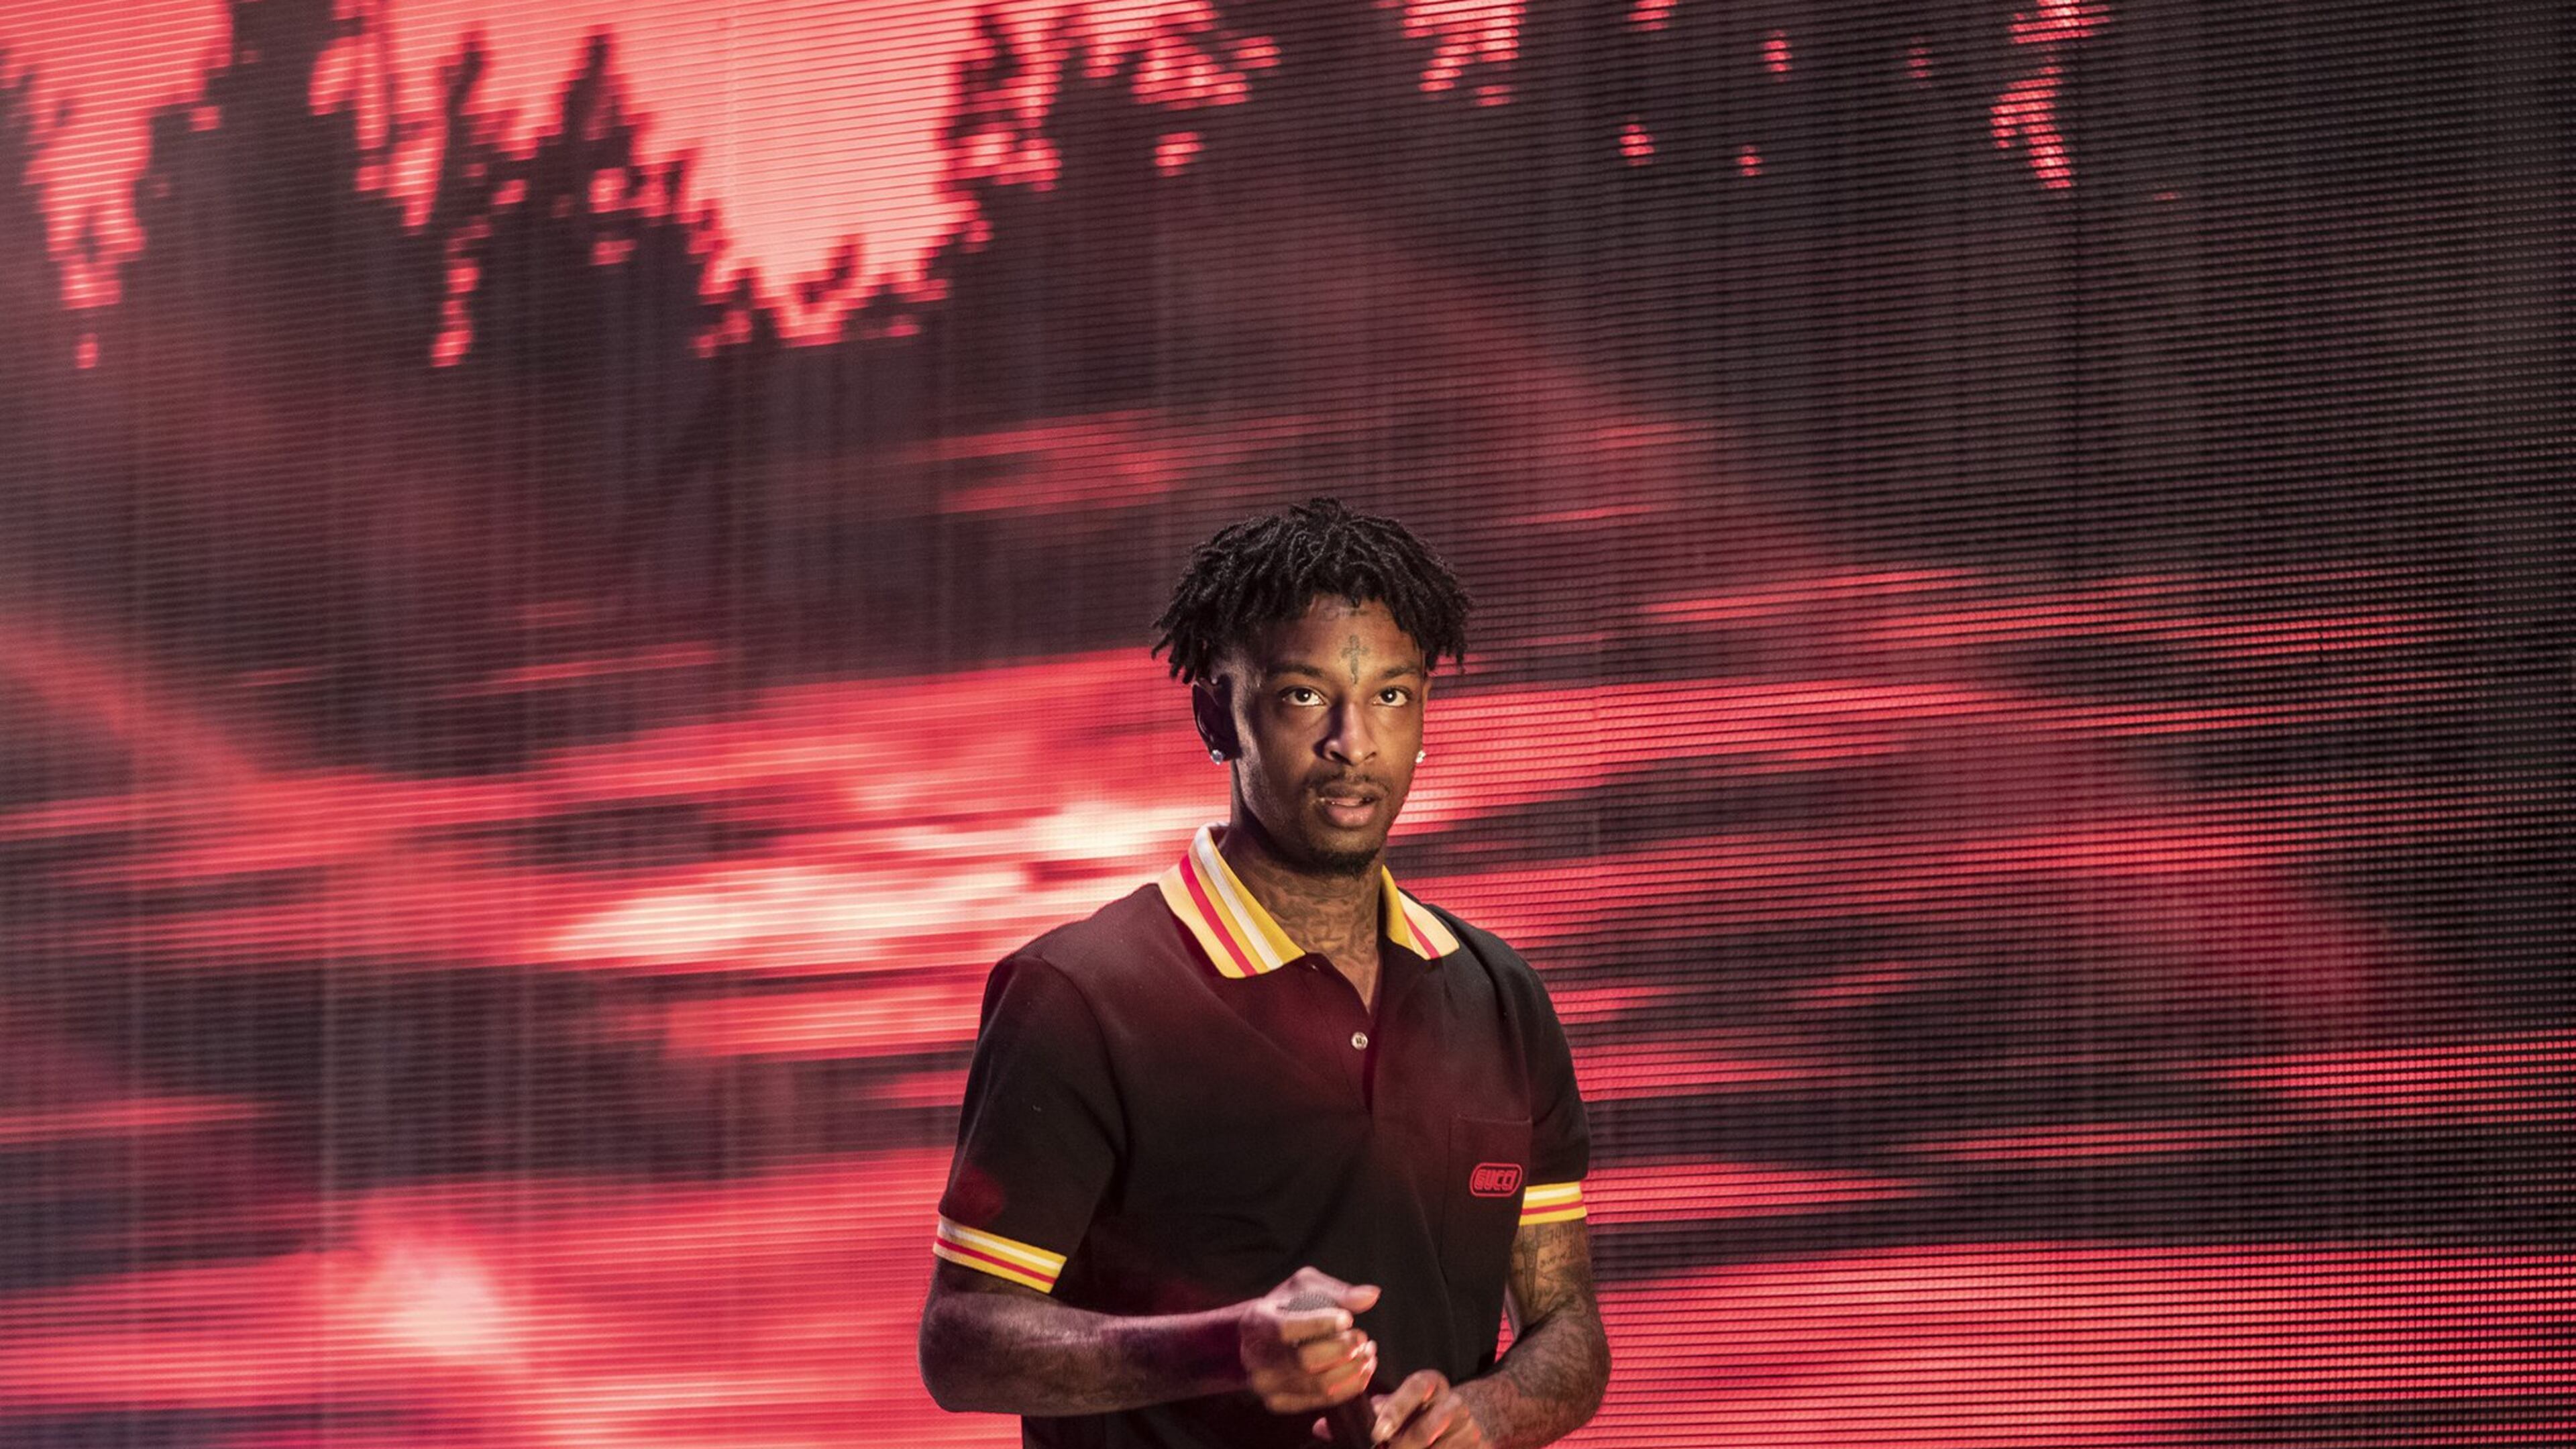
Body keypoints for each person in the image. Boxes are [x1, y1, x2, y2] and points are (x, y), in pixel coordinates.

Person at [918, 498, 1610, 1448]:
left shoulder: (1499, 997)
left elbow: (1567, 1325)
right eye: (1302, 695)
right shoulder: (1081, 994)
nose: (1352, 743)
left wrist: (1487, 1411)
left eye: (1391, 697)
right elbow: (962, 1343)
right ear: (1216, 714)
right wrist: (1228, 1349)